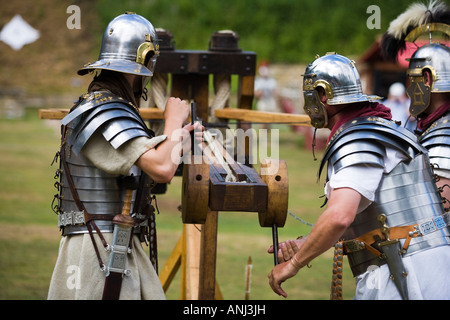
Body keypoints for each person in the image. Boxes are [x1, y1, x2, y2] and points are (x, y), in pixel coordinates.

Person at [267, 53, 450, 300]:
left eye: (309, 95)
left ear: (322, 95)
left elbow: (339, 217)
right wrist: (306, 243)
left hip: (405, 271)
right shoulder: (380, 128)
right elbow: (372, 217)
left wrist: (293, 264)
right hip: (427, 263)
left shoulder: (357, 138)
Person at [48, 13, 201, 300]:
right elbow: (161, 169)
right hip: (98, 247)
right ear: (145, 61)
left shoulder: (107, 106)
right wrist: (173, 121)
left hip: (114, 241)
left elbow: (152, 164)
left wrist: (181, 137)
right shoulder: (104, 112)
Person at [381, 0, 450, 210]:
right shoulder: (434, 126)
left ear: (427, 79)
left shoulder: (443, 133)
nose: (410, 90)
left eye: (413, 81)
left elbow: (441, 208)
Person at [254, 61, 278, 129]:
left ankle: (268, 136)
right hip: (263, 102)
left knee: (270, 121)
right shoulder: (258, 80)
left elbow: (275, 92)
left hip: (270, 102)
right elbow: (256, 93)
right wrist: (260, 93)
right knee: (262, 121)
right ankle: (263, 135)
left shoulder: (272, 80)